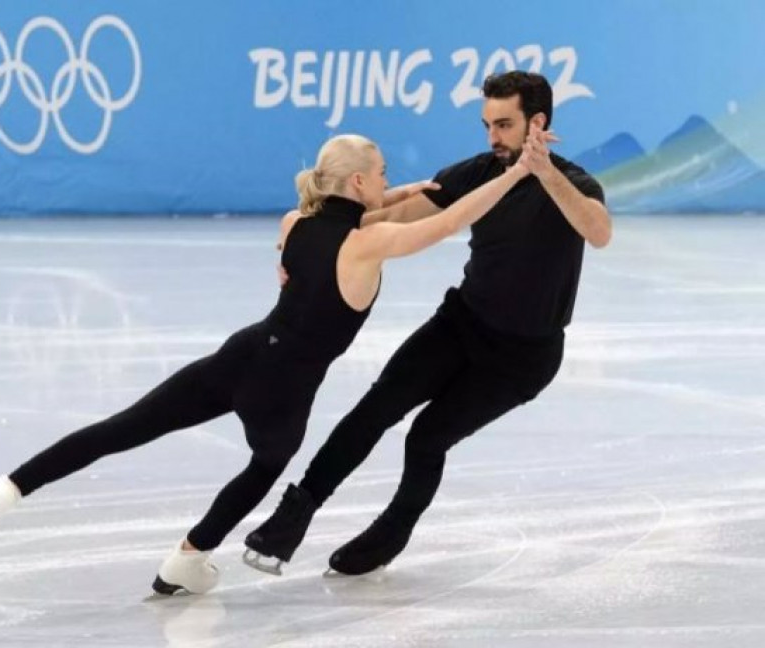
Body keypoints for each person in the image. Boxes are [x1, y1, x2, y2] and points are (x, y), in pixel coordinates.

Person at [0, 132, 534, 595]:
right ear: (357, 181)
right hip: (286, 392)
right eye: (382, 174)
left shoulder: (294, 222)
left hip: (240, 357)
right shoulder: (366, 245)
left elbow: (360, 217)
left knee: (119, 429)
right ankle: (188, 557)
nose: (389, 179)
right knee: (264, 466)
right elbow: (453, 221)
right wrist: (519, 174)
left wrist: (399, 195)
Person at [244, 70, 611, 577]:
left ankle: (391, 531)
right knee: (374, 408)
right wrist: (306, 236)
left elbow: (598, 232)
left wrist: (544, 172)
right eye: (487, 125)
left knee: (426, 438)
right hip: (461, 324)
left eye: (504, 125)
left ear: (537, 122)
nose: (492, 138)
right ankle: (294, 514)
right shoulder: (479, 171)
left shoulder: (574, 184)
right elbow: (399, 216)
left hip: (523, 359)